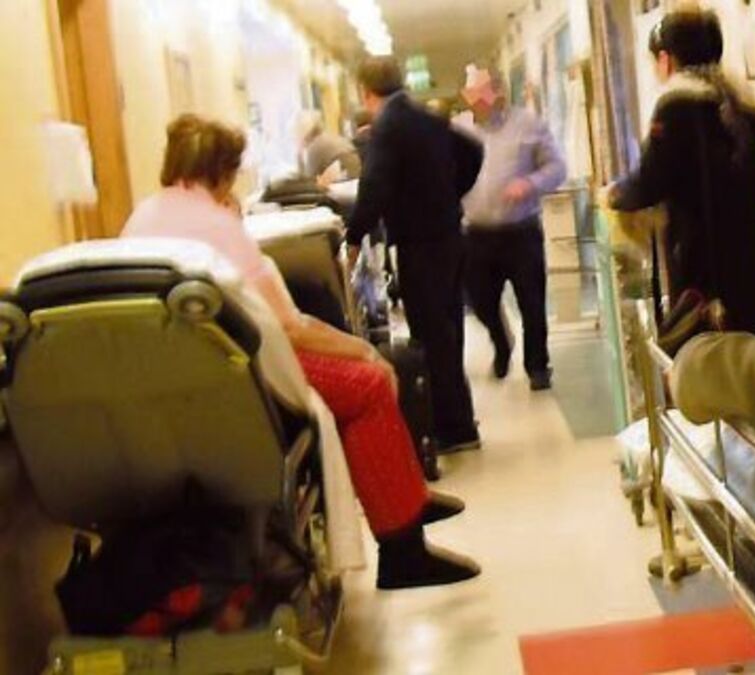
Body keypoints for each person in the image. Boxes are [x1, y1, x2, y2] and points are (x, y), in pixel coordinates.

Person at [122, 114, 480, 590]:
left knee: (360, 372)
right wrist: (361, 350)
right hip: (241, 377)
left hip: (178, 378)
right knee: (369, 383)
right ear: (223, 171)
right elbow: (291, 328)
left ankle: (406, 498)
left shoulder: (143, 217)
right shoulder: (217, 224)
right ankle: (403, 550)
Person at [608, 9, 755, 335]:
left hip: (702, 263)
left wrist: (616, 195)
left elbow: (650, 183)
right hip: (751, 254)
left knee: (707, 352)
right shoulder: (737, 102)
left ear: (666, 59)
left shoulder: (676, 107)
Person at [347, 57, 485, 453]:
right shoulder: (427, 116)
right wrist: (451, 193)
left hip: (420, 244)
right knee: (449, 332)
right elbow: (472, 151)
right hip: (449, 235)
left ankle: (453, 429)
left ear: (366, 93)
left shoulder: (387, 126)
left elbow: (373, 186)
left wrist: (354, 236)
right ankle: (460, 420)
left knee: (431, 335)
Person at [460, 64, 567, 390]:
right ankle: (501, 341)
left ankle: (538, 366)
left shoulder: (528, 124)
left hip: (521, 231)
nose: (472, 98)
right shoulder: (459, 129)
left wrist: (530, 183)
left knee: (532, 302)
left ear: (498, 92)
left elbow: (557, 168)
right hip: (477, 233)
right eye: (468, 91)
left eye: (478, 91)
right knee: (480, 301)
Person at [296, 111, 362, 187]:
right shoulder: (330, 137)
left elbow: (309, 181)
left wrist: (299, 154)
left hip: (342, 183)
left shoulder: (314, 147)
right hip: (356, 178)